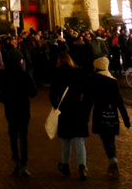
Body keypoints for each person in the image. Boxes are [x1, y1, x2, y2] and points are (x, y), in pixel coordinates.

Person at [0, 46, 37, 177]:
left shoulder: (4, 76)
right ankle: (23, 163)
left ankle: (16, 160)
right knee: (23, 136)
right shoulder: (24, 75)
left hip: (10, 110)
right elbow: (33, 92)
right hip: (23, 109)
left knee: (13, 136)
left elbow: (0, 96)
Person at [51, 47, 90, 180]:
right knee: (79, 139)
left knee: (66, 140)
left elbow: (52, 94)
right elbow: (86, 91)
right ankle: (82, 166)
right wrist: (84, 106)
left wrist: (57, 106)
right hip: (77, 108)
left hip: (64, 110)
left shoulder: (57, 73)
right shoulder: (77, 72)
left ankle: (65, 165)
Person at [89, 57, 130, 179]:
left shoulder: (94, 80)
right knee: (110, 139)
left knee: (106, 139)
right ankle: (112, 163)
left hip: (100, 114)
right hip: (112, 114)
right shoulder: (113, 81)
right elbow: (119, 101)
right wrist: (126, 119)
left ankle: (113, 161)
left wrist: (84, 115)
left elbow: (89, 99)